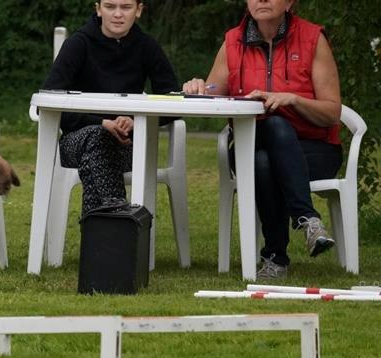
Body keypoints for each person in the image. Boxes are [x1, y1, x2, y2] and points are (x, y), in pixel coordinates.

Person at [183, 0, 342, 280]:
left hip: (313, 151)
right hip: (249, 143)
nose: (263, 0)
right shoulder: (232, 41)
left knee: (267, 154)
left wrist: (292, 100)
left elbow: (332, 113)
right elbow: (210, 94)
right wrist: (197, 87)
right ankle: (307, 220)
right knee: (269, 137)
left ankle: (275, 258)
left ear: (290, 1)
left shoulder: (312, 38)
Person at [41, 0, 178, 215]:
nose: (117, 14)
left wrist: (135, 118)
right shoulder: (78, 44)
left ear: (138, 10)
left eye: (125, 7)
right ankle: (116, 220)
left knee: (95, 156)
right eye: (110, 6)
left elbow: (171, 100)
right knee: (98, 137)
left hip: (127, 146)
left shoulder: (146, 46)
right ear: (98, 9)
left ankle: (101, 236)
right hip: (75, 142)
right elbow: (48, 103)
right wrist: (101, 123)